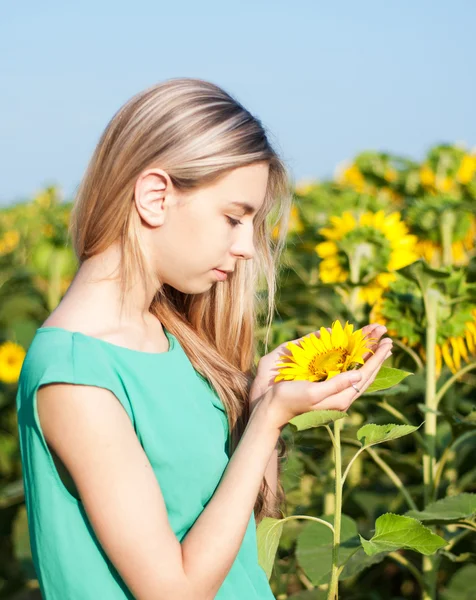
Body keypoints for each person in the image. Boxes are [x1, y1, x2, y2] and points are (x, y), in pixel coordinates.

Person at [16, 77, 393, 600]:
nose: (245, 248)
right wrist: (266, 422)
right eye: (233, 218)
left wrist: (262, 398)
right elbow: (175, 591)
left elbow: (243, 520)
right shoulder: (77, 375)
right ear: (155, 197)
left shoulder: (174, 336)